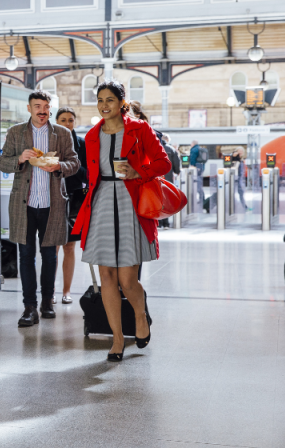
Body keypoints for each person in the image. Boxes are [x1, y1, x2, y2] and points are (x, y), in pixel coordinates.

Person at [72, 80, 171, 362]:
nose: (104, 105)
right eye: (100, 100)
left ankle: (140, 316)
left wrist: (137, 171)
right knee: (107, 278)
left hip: (131, 202)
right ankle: (117, 339)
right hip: (102, 202)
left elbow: (164, 163)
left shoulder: (139, 129)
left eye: (110, 100)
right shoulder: (92, 135)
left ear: (121, 103)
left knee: (128, 280)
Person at [0, 91, 80, 328]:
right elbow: (2, 162)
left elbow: (74, 163)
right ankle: (29, 307)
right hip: (24, 205)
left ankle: (47, 303)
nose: (42, 111)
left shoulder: (62, 134)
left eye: (45, 106)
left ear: (50, 109)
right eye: (37, 106)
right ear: (29, 108)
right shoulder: (15, 132)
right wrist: (20, 159)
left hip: (52, 203)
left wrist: (58, 166)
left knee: (50, 256)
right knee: (25, 256)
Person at [54, 107, 87, 304]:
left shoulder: (81, 144)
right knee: (53, 246)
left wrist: (68, 165)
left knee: (69, 246)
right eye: (63, 120)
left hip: (74, 199)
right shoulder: (50, 140)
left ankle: (66, 291)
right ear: (57, 121)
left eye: (70, 120)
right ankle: (51, 292)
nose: (67, 124)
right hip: (54, 196)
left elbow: (86, 174)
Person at [158, 134, 180, 229]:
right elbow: (176, 164)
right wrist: (177, 171)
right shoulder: (171, 149)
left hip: (155, 179)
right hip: (167, 179)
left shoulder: (153, 148)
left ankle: (159, 223)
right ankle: (166, 223)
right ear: (167, 140)